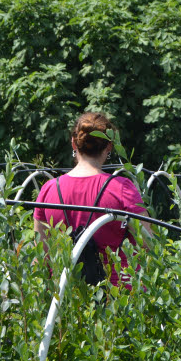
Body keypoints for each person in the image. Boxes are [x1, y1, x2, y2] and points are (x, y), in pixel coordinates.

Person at [34, 112, 151, 288]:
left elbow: (41, 256)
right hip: (117, 298)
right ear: (109, 147)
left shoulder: (48, 190)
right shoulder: (122, 188)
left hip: (64, 296)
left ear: (74, 143)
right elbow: (149, 244)